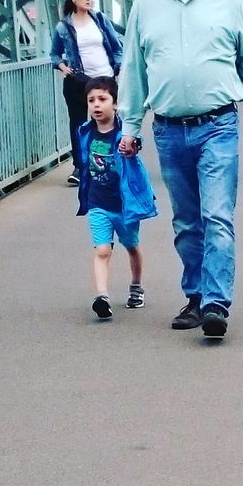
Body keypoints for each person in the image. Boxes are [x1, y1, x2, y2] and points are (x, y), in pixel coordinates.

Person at [118, 0, 243, 340]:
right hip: (168, 130)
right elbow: (133, 68)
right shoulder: (145, 5)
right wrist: (129, 125)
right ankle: (195, 296)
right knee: (187, 221)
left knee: (217, 216)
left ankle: (215, 303)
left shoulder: (229, 1)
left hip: (217, 125)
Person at [73, 73, 157, 320]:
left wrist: (130, 148)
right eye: (91, 100)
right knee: (102, 250)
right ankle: (102, 296)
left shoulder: (124, 133)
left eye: (102, 99)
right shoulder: (85, 132)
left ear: (115, 103)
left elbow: (135, 145)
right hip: (98, 202)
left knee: (131, 246)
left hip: (124, 204)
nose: (96, 105)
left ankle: (136, 286)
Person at [51, 0, 123, 185]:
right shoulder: (63, 26)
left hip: (104, 79)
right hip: (78, 81)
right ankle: (80, 168)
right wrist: (63, 67)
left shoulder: (100, 20)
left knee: (109, 121)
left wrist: (117, 68)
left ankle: (113, 162)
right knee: (79, 124)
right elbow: (54, 54)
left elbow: (117, 47)